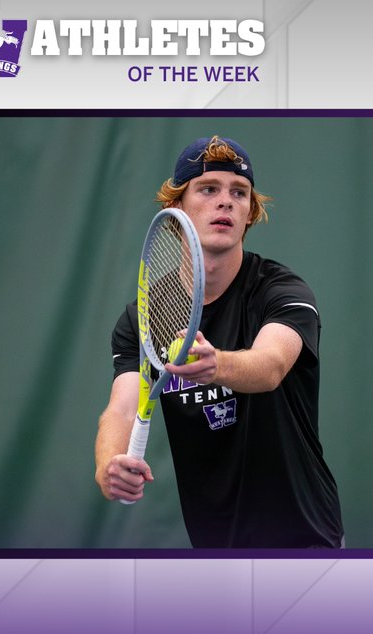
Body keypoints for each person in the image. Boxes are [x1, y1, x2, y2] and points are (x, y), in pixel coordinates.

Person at [94, 135, 344, 548]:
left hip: (302, 540)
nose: (225, 201)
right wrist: (109, 464)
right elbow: (121, 409)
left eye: (239, 193)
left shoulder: (281, 291)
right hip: (213, 545)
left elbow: (271, 366)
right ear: (177, 208)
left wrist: (217, 366)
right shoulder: (143, 316)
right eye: (208, 189)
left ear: (249, 213)